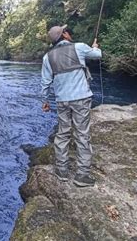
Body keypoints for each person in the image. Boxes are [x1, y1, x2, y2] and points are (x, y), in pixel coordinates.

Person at [41, 25, 102, 187]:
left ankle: (62, 171)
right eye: (67, 31)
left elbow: (45, 82)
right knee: (82, 135)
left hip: (62, 100)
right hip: (81, 98)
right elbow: (98, 55)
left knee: (63, 133)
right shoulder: (80, 47)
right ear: (65, 35)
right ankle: (82, 175)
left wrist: (45, 101)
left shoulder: (48, 57)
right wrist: (94, 47)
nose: (69, 33)